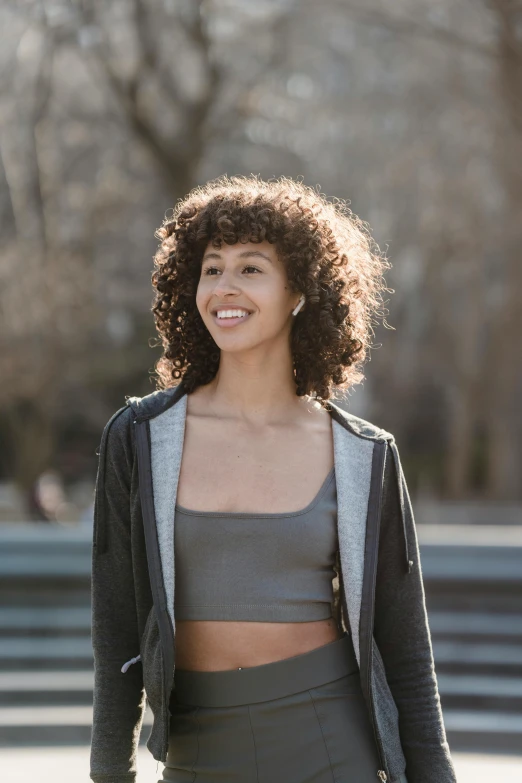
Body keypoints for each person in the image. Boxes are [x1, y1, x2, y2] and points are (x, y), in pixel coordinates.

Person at [89, 175, 457, 783]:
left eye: (251, 268)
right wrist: (109, 773)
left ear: (301, 292)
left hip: (329, 738)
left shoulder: (362, 453)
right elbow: (116, 630)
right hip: (196, 747)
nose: (224, 288)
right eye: (211, 268)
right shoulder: (140, 437)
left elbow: (405, 646)